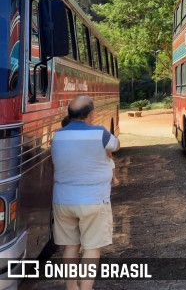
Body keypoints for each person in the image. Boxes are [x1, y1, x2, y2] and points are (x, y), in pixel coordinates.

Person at [51, 96, 120, 290]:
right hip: (93, 200)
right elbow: (116, 145)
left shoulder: (58, 134)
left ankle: (72, 287)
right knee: (91, 248)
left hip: (63, 201)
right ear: (91, 114)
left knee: (70, 247)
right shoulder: (100, 133)